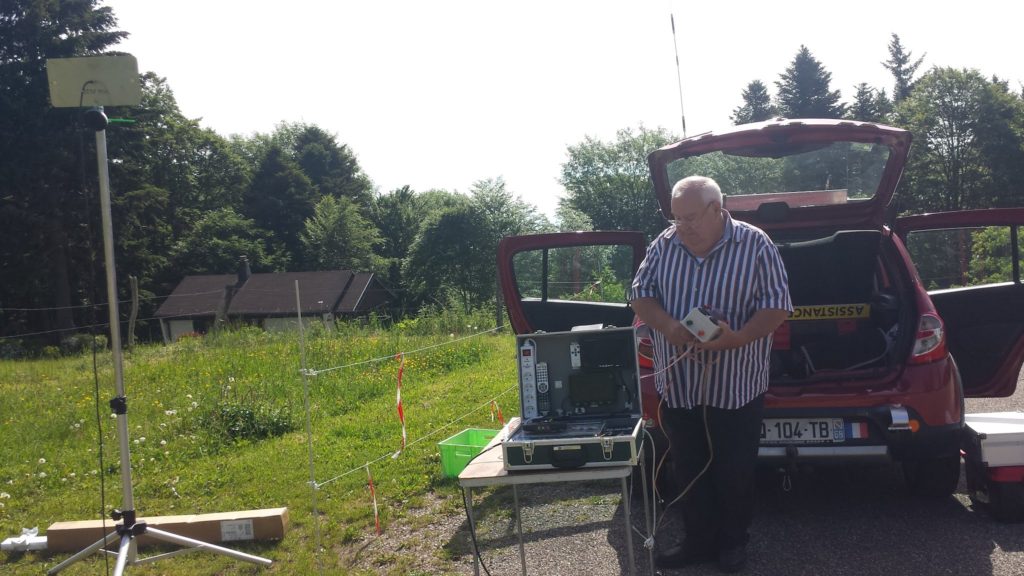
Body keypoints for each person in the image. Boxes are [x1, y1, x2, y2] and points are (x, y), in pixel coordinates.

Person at [629, 175, 791, 573]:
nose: (681, 226)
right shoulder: (663, 245)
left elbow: (777, 306)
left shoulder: (755, 244)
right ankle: (697, 543)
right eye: (675, 218)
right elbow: (640, 294)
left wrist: (736, 339)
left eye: (690, 218)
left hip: (737, 386)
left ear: (718, 210)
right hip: (680, 387)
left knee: (734, 471)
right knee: (688, 469)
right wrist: (669, 327)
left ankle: (733, 543)